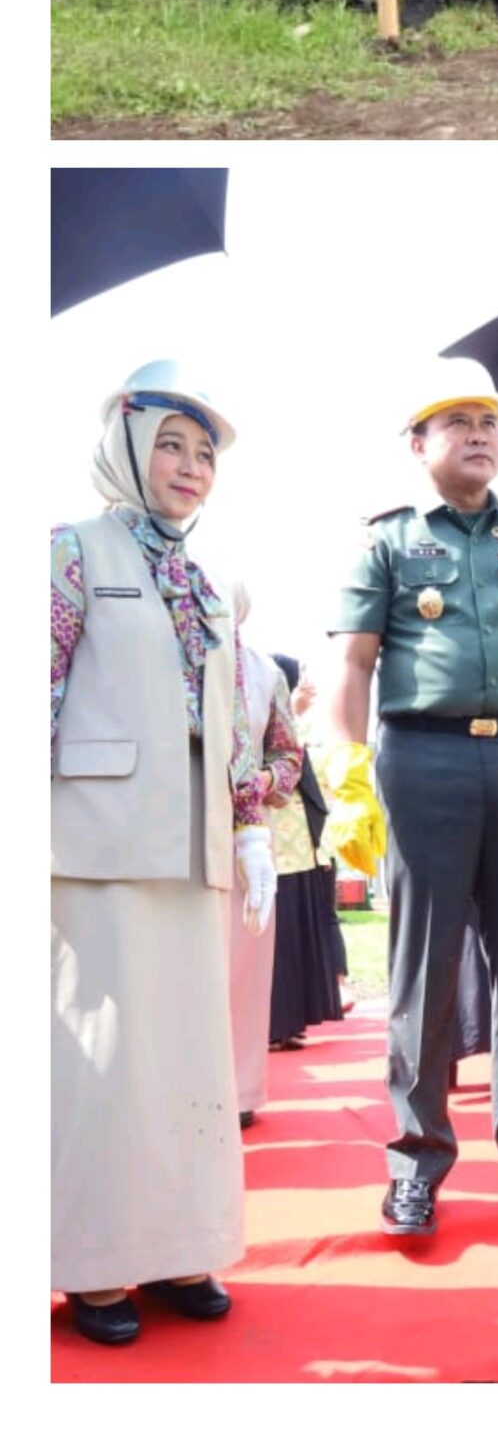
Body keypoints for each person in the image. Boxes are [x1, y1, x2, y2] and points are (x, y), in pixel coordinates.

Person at [321, 362, 498, 1236]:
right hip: (422, 762)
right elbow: (353, 660)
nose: (480, 433)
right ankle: (417, 1160)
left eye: (489, 421)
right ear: (418, 443)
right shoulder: (388, 542)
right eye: (457, 421)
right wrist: (350, 774)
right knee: (424, 972)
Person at [52, 363, 274, 1346]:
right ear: (128, 447)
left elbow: (228, 719)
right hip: (93, 845)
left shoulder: (208, 579)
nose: (191, 467)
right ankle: (94, 1264)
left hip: (192, 853)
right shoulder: (70, 550)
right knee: (104, 1062)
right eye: (172, 444)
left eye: (206, 452)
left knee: (189, 1059)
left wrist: (251, 817)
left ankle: (183, 1244)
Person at [227, 584, 303, 1126]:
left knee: (244, 966)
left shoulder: (263, 671)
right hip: (168, 828)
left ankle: (238, 1091)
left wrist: (263, 780)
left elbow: (287, 753)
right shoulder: (156, 657)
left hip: (246, 836)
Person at [266, 655, 349, 1051]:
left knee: (299, 930)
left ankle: (294, 1019)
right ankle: (272, 1023)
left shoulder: (311, 718)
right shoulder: (255, 702)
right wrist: (291, 713)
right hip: (270, 838)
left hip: (305, 840)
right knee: (276, 933)